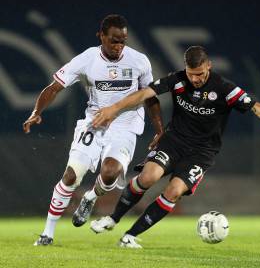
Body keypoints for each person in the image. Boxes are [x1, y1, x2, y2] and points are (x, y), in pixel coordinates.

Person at [87, 46, 260, 248]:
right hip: (174, 141)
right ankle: (113, 219)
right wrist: (113, 108)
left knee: (174, 191)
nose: (195, 79)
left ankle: (130, 236)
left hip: (202, 152)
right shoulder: (177, 80)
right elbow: (144, 94)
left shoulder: (224, 88)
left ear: (209, 66)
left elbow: (255, 106)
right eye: (191, 74)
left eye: (200, 74)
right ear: (185, 68)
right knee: (148, 177)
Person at [23, 14, 163, 246]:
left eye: (123, 41)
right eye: (113, 41)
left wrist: (159, 129)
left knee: (109, 172)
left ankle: (90, 197)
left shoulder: (139, 61)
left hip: (126, 125)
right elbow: (55, 87)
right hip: (94, 121)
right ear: (101, 36)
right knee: (71, 175)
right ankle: (47, 233)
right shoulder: (87, 59)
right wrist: (36, 112)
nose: (119, 46)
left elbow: (150, 97)